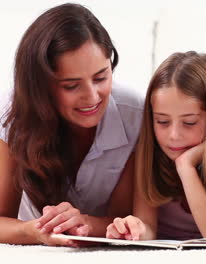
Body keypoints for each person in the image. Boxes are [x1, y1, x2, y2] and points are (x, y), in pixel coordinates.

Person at [0, 3, 143, 246]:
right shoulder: (11, 114)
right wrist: (35, 231)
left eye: (101, 77)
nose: (92, 97)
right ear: (40, 87)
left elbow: (124, 220)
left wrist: (83, 223)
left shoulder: (135, 115)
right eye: (71, 85)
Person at [105, 51, 206, 240]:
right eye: (162, 122)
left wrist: (185, 166)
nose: (173, 136)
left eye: (189, 123)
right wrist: (135, 230)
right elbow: (148, 228)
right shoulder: (147, 157)